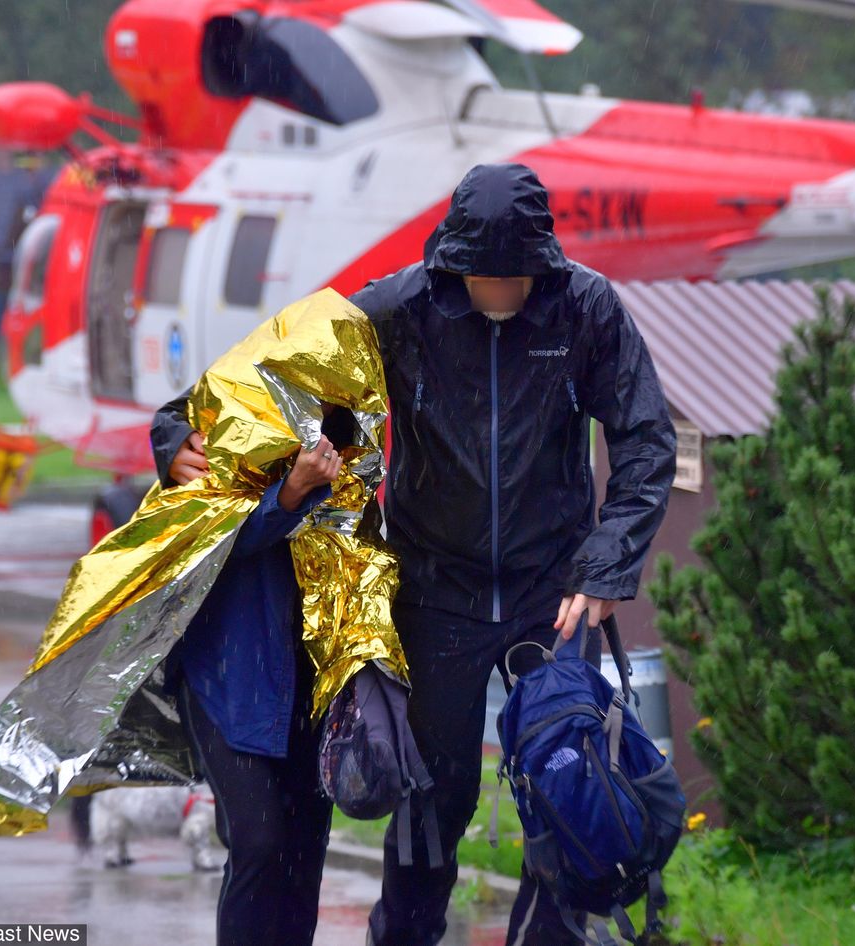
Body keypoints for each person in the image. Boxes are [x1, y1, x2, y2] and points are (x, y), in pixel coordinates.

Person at [152, 163, 678, 945]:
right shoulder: (398, 308)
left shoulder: (586, 309)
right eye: (486, 276)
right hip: (437, 589)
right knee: (435, 798)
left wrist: (607, 565)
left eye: (520, 276)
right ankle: (403, 933)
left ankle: (550, 935)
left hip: (552, 588)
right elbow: (265, 379)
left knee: (567, 779)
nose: (504, 290)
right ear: (453, 263)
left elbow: (645, 438)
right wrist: (174, 433)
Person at [165, 403, 356, 946]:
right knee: (258, 839)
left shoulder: (368, 404)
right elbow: (218, 526)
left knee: (302, 850)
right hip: (232, 665)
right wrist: (171, 442)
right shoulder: (254, 391)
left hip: (314, 674)